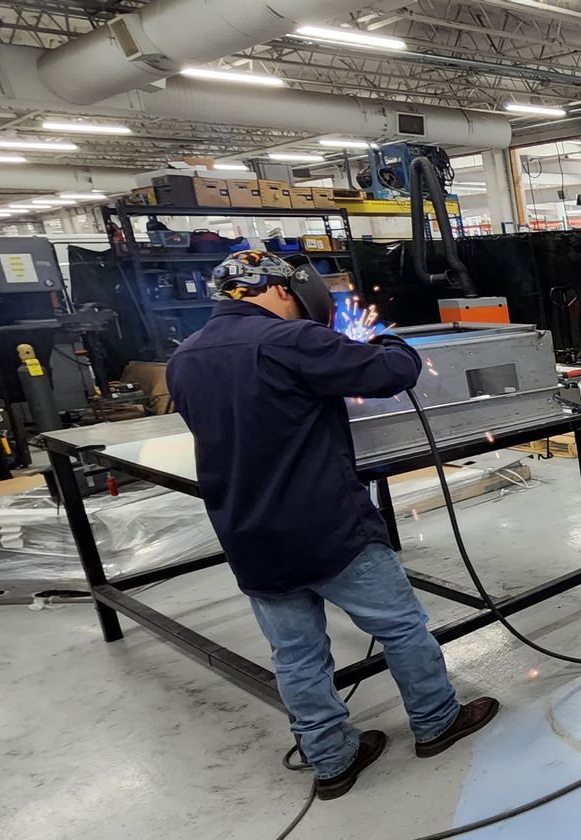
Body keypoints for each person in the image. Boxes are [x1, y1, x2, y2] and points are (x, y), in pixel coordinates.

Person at [167, 251, 498, 799]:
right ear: (277, 289)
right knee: (399, 626)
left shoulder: (185, 357)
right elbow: (395, 372)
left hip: (247, 531)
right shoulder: (289, 339)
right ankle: (438, 721)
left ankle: (331, 760)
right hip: (326, 525)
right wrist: (387, 341)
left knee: (295, 656)